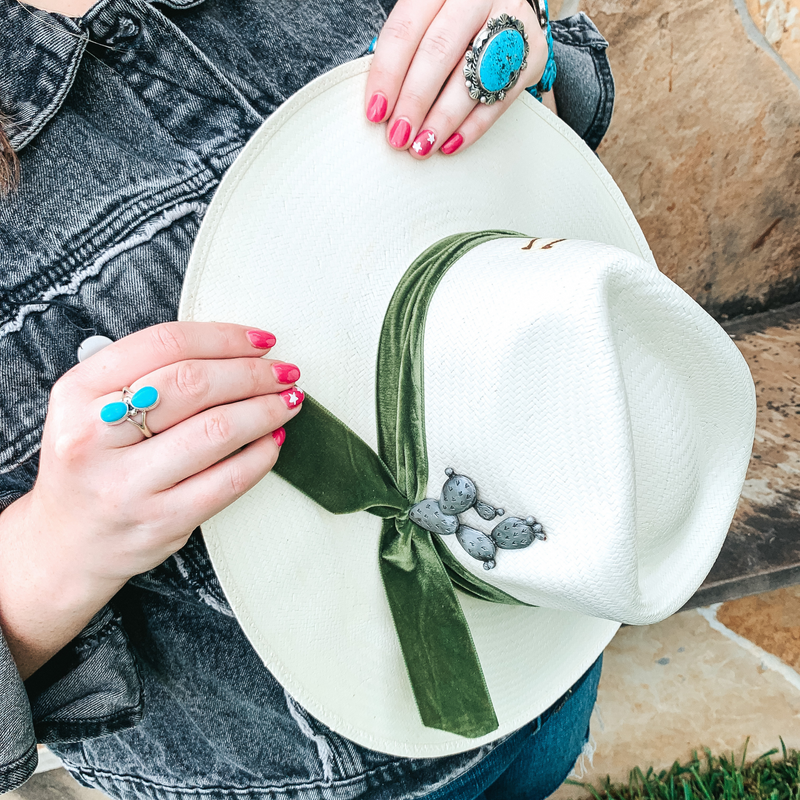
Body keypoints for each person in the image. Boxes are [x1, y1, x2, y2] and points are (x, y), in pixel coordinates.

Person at [0, 0, 615, 797]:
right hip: (268, 774)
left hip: (541, 637)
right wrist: (59, 542)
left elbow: (524, 195)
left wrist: (507, 56)